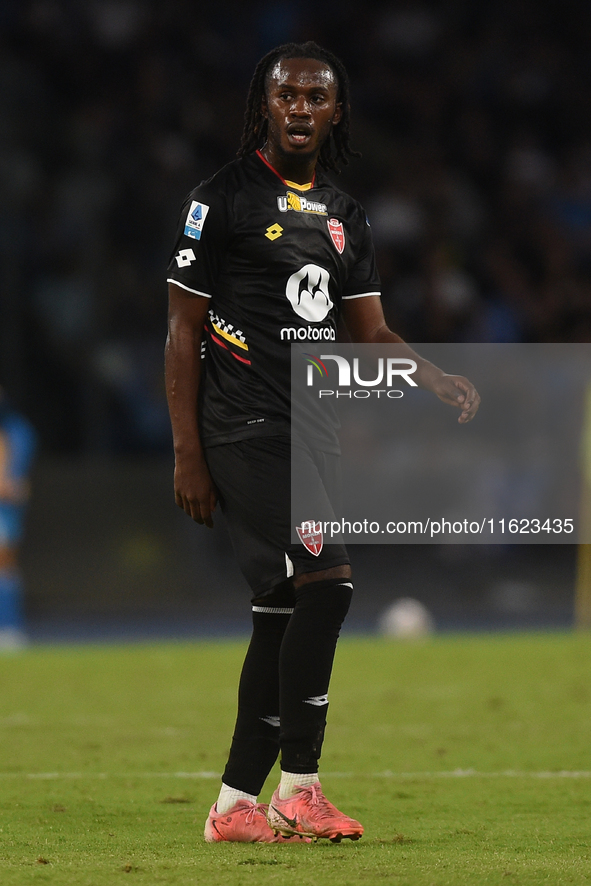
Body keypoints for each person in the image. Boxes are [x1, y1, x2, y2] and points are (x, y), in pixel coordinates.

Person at [165, 41, 480, 844]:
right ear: (263, 107)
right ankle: (298, 788)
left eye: (315, 98)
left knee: (279, 609)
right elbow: (180, 332)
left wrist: (434, 378)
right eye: (286, 96)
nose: (300, 109)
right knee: (329, 581)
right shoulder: (222, 199)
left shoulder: (344, 215)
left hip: (311, 429)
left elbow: (369, 330)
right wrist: (187, 453)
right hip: (240, 427)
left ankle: (235, 805)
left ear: (336, 112)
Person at [0, 387, 37, 650]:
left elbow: (13, 486)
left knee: (5, 566)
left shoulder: (17, 430)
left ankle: (10, 628)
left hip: (4, 511)